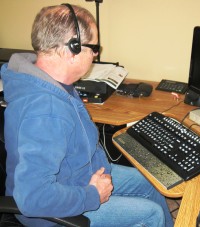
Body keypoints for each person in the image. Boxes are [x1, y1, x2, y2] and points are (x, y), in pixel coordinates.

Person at [0, 4, 173, 227]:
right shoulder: (46, 111)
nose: (96, 53)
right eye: (94, 47)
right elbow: (33, 198)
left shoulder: (49, 79)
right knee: (151, 214)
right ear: (72, 49)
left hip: (80, 175)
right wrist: (91, 195)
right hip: (53, 212)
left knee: (149, 183)